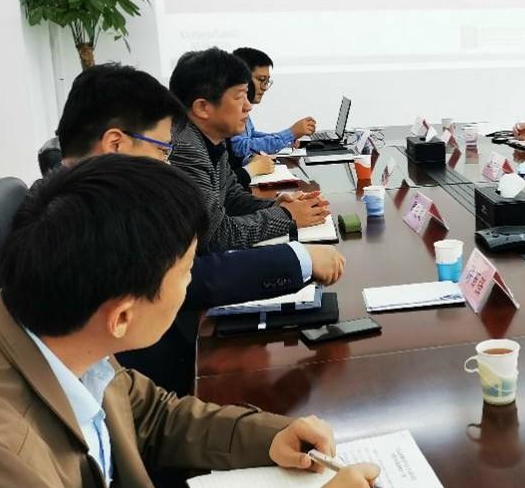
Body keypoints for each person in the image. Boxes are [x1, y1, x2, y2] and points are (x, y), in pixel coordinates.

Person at [0, 154, 378, 488]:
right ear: (122, 316)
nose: (190, 284)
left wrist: (266, 436)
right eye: (186, 272)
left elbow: (151, 415)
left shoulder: (59, 330)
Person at [53, 63, 346, 312]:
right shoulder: (73, 222)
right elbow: (183, 273)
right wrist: (297, 256)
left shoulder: (87, 199)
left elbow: (224, 206)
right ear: (115, 145)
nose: (168, 163)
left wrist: (279, 208)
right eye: (162, 150)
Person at [169, 47, 330, 252]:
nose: (248, 106)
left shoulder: (212, 138)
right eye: (239, 97)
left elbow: (232, 198)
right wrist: (287, 215)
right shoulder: (186, 147)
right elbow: (216, 236)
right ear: (202, 107)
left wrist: (277, 205)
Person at [230, 46, 317, 159]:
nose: (265, 87)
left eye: (267, 81)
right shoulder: (231, 109)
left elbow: (251, 136)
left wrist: (286, 139)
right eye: (261, 80)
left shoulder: (243, 107)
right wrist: (291, 133)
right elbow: (240, 147)